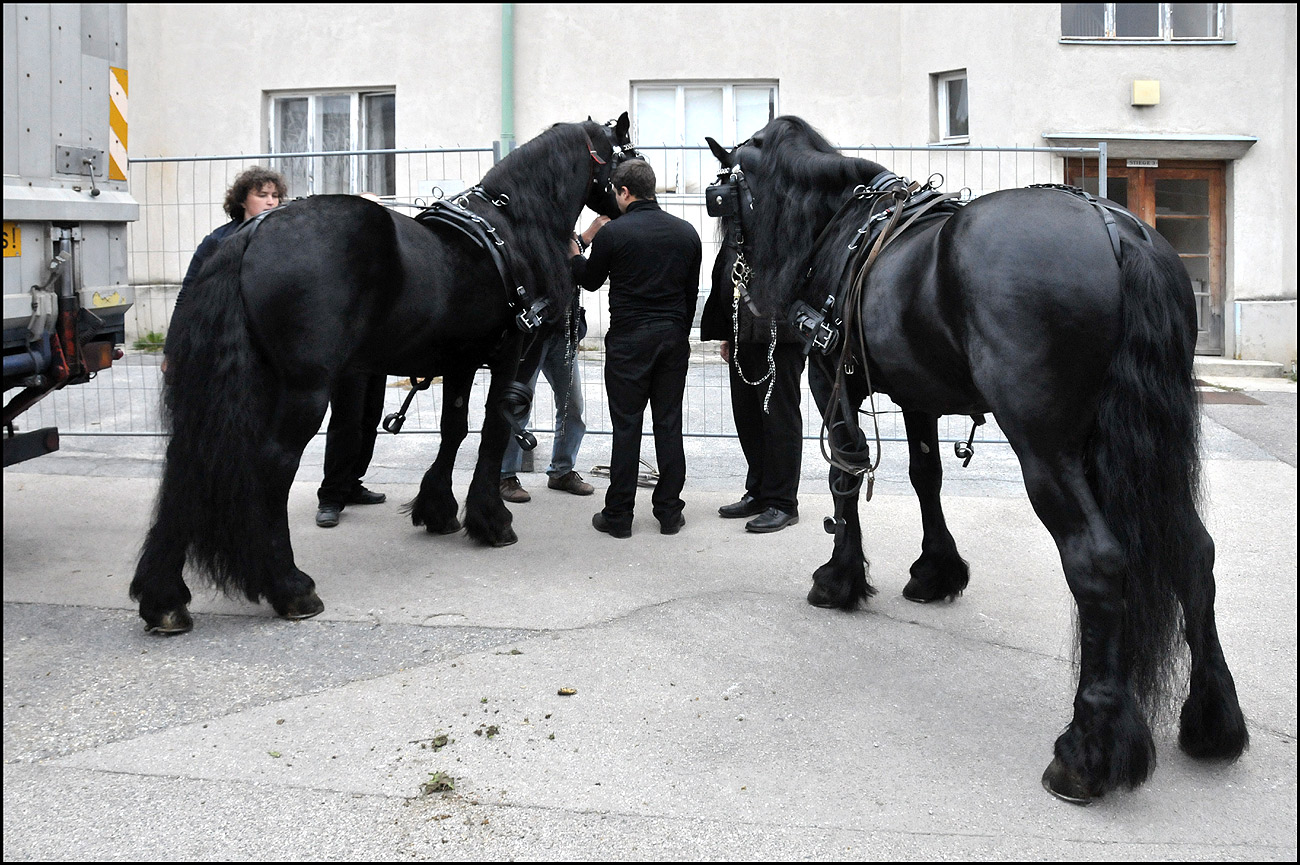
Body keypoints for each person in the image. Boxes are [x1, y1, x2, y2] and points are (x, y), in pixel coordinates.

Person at [570, 160, 701, 538]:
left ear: (624, 192)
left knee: (627, 427)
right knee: (669, 424)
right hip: (672, 339)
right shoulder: (686, 233)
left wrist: (574, 254)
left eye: (615, 192)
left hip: (629, 342)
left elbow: (590, 280)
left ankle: (619, 516)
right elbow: (690, 294)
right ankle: (669, 512)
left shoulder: (614, 233)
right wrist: (677, 333)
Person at [699, 254, 805, 534]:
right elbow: (727, 275)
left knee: (779, 418)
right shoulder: (739, 233)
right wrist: (727, 332)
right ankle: (758, 491)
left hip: (780, 335)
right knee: (747, 417)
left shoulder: (787, 234)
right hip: (742, 333)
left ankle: (783, 502)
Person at [498, 258, 605, 502]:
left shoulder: (571, 244)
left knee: (572, 405)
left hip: (562, 331)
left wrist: (579, 246)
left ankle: (561, 471)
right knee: (518, 404)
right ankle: (504, 475)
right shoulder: (533, 240)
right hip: (531, 333)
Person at [315, 192, 390, 528]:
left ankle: (352, 483)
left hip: (377, 352)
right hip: (347, 353)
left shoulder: (385, 256)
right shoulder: (340, 253)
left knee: (369, 419)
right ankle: (331, 497)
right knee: (347, 422)